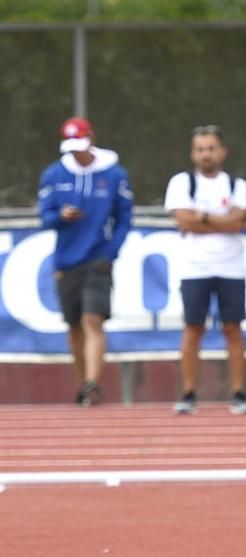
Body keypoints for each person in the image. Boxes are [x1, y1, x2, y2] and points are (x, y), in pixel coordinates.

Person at [38, 117, 133, 406]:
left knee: (93, 320)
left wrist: (111, 251)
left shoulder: (114, 174)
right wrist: (60, 216)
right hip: (66, 259)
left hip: (98, 259)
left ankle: (92, 382)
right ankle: (83, 385)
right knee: (74, 326)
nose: (76, 153)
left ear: (91, 139)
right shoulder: (53, 174)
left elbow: (124, 217)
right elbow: (45, 216)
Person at [164, 125, 246, 415]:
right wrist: (219, 219)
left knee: (233, 329)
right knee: (193, 328)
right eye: (201, 149)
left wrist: (201, 217)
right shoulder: (181, 183)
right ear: (193, 154)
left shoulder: (237, 185)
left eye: (211, 148)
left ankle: (239, 393)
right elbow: (183, 221)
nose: (206, 154)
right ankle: (189, 392)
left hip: (231, 268)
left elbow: (239, 223)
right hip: (194, 268)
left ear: (222, 152)